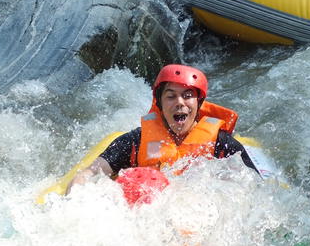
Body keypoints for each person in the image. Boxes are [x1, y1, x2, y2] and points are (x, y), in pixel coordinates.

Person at [66, 64, 259, 193]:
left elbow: (254, 186)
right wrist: (74, 197)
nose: (180, 103)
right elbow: (91, 172)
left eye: (187, 95)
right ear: (159, 102)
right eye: (171, 96)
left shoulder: (221, 144)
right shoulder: (136, 141)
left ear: (199, 103)